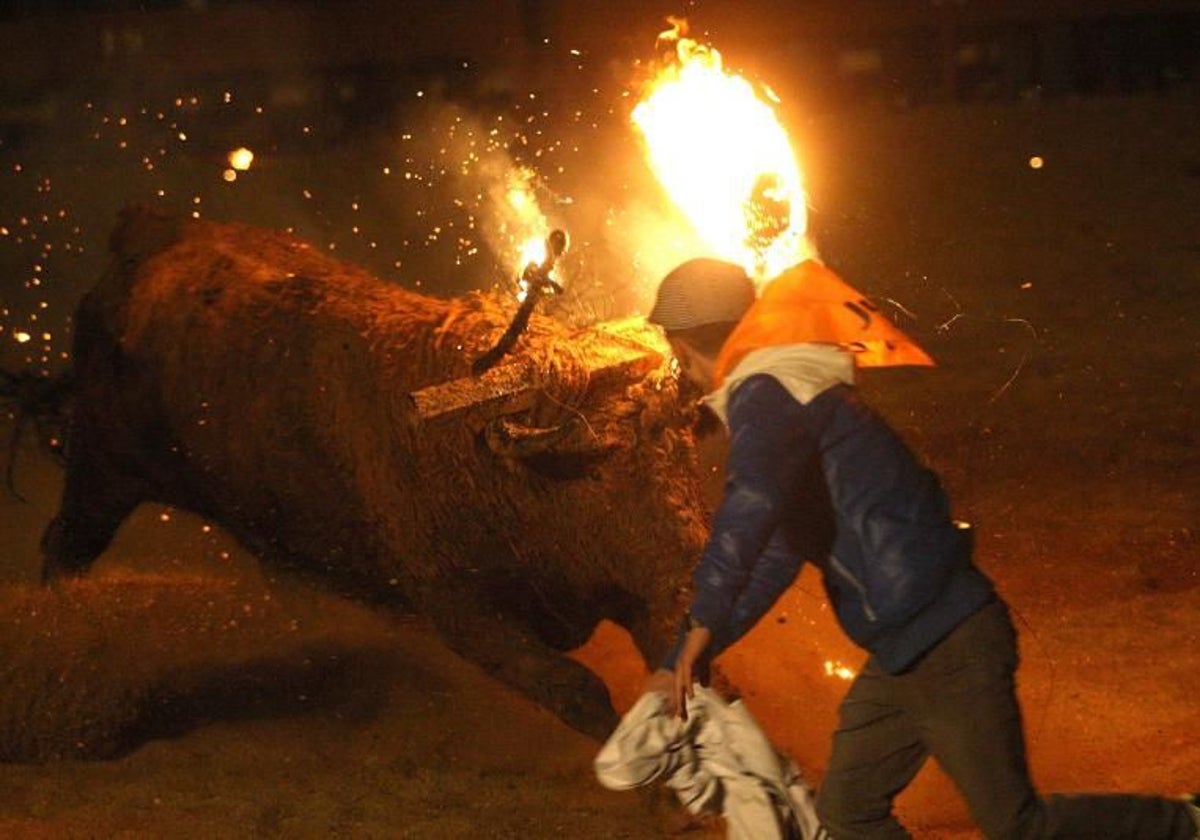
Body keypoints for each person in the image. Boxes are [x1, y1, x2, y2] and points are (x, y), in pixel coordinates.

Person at [641, 256, 1199, 839]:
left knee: (1015, 826)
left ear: (683, 347)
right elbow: (778, 552)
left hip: (947, 641)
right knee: (848, 814)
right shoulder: (791, 393)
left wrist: (703, 621)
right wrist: (687, 652)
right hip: (904, 651)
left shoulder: (765, 389)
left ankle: (1186, 822)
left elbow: (749, 501)